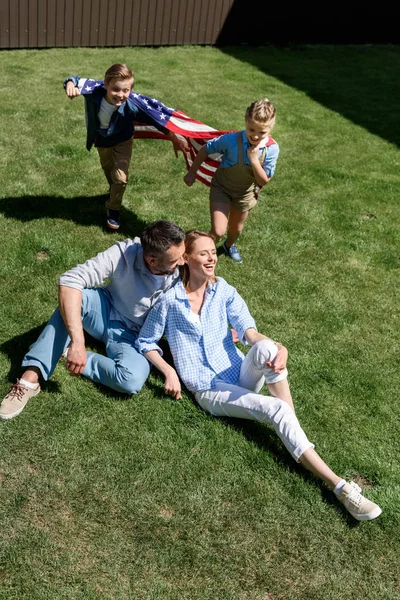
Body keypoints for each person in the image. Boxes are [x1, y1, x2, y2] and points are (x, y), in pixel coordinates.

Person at [137, 230, 382, 521]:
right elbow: (146, 342)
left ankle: (296, 440)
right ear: (186, 258)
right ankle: (340, 487)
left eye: (213, 252)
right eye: (203, 253)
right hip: (209, 388)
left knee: (267, 348)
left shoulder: (223, 290)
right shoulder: (169, 301)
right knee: (276, 408)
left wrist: (279, 347)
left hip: (235, 372)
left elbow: (249, 333)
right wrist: (168, 371)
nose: (212, 257)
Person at [0, 221, 185, 420]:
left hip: (135, 337)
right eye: (176, 260)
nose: (183, 261)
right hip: (106, 311)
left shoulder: (186, 266)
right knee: (78, 298)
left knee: (130, 381)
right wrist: (78, 342)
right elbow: (70, 281)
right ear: (152, 260)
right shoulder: (125, 251)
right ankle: (30, 379)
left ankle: (64, 351)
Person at [64, 63, 187, 231]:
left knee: (120, 178)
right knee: (109, 171)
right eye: (116, 89)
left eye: (126, 90)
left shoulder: (132, 106)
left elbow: (155, 119)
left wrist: (173, 138)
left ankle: (113, 209)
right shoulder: (93, 91)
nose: (120, 95)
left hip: (123, 140)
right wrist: (70, 85)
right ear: (106, 85)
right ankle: (113, 191)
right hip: (101, 140)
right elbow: (74, 79)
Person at [184, 99, 279, 264]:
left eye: (262, 132)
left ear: (271, 127)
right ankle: (196, 254)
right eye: (251, 129)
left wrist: (254, 160)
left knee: (236, 229)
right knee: (218, 230)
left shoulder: (271, 149)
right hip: (222, 187)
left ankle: (229, 245)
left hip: (245, 193)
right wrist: (192, 172)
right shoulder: (231, 140)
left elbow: (264, 180)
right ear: (245, 120)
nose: (255, 135)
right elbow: (206, 149)